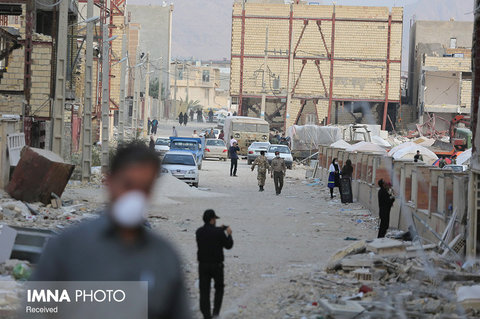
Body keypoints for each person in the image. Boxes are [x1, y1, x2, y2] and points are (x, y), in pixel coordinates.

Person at [32, 141, 191, 319]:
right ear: (109, 182)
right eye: (128, 185)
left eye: (144, 189)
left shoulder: (164, 258)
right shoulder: (66, 248)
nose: (134, 197)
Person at [196, 210, 233, 319]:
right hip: (217, 265)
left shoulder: (199, 231)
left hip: (203, 265)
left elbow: (209, 233)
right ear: (212, 219)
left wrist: (219, 229)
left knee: (204, 291)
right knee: (219, 288)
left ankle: (206, 315)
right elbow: (228, 245)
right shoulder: (218, 233)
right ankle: (216, 313)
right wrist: (229, 234)